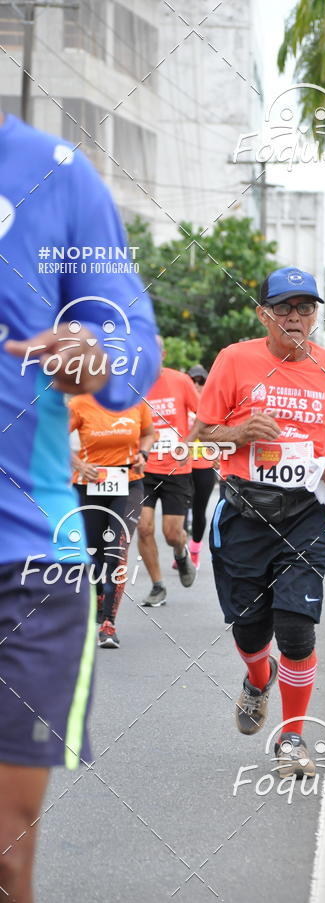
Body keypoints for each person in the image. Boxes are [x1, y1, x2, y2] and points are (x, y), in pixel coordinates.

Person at [0, 110, 159, 901]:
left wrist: (97, 353)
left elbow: (128, 335)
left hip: (25, 559)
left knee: (3, 860)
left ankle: (118, 603)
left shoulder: (55, 171)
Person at [189, 266, 325, 778]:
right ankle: (257, 679)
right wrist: (238, 433)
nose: (294, 316)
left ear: (315, 316)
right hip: (244, 511)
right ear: (263, 313)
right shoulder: (234, 360)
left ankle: (292, 740)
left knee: (296, 627)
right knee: (249, 629)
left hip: (308, 511)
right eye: (283, 307)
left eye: (305, 308)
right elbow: (201, 433)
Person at [70, 395, 156, 648]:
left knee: (116, 551)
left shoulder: (136, 402)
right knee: (94, 550)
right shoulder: (80, 403)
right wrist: (79, 464)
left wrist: (143, 453)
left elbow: (149, 433)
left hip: (128, 484)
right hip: (89, 483)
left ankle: (109, 623)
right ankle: (99, 596)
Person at [137, 341, 199, 606]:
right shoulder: (131, 384)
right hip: (143, 468)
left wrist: (188, 443)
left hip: (176, 468)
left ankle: (181, 553)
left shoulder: (181, 381)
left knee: (172, 533)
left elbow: (204, 415)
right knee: (143, 527)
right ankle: (157, 585)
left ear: (162, 354)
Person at [187, 364, 216, 566]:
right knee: (178, 512)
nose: (197, 385)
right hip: (183, 466)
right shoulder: (182, 404)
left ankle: (195, 552)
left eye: (201, 381)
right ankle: (181, 550)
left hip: (205, 465)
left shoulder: (211, 404)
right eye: (193, 381)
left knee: (199, 510)